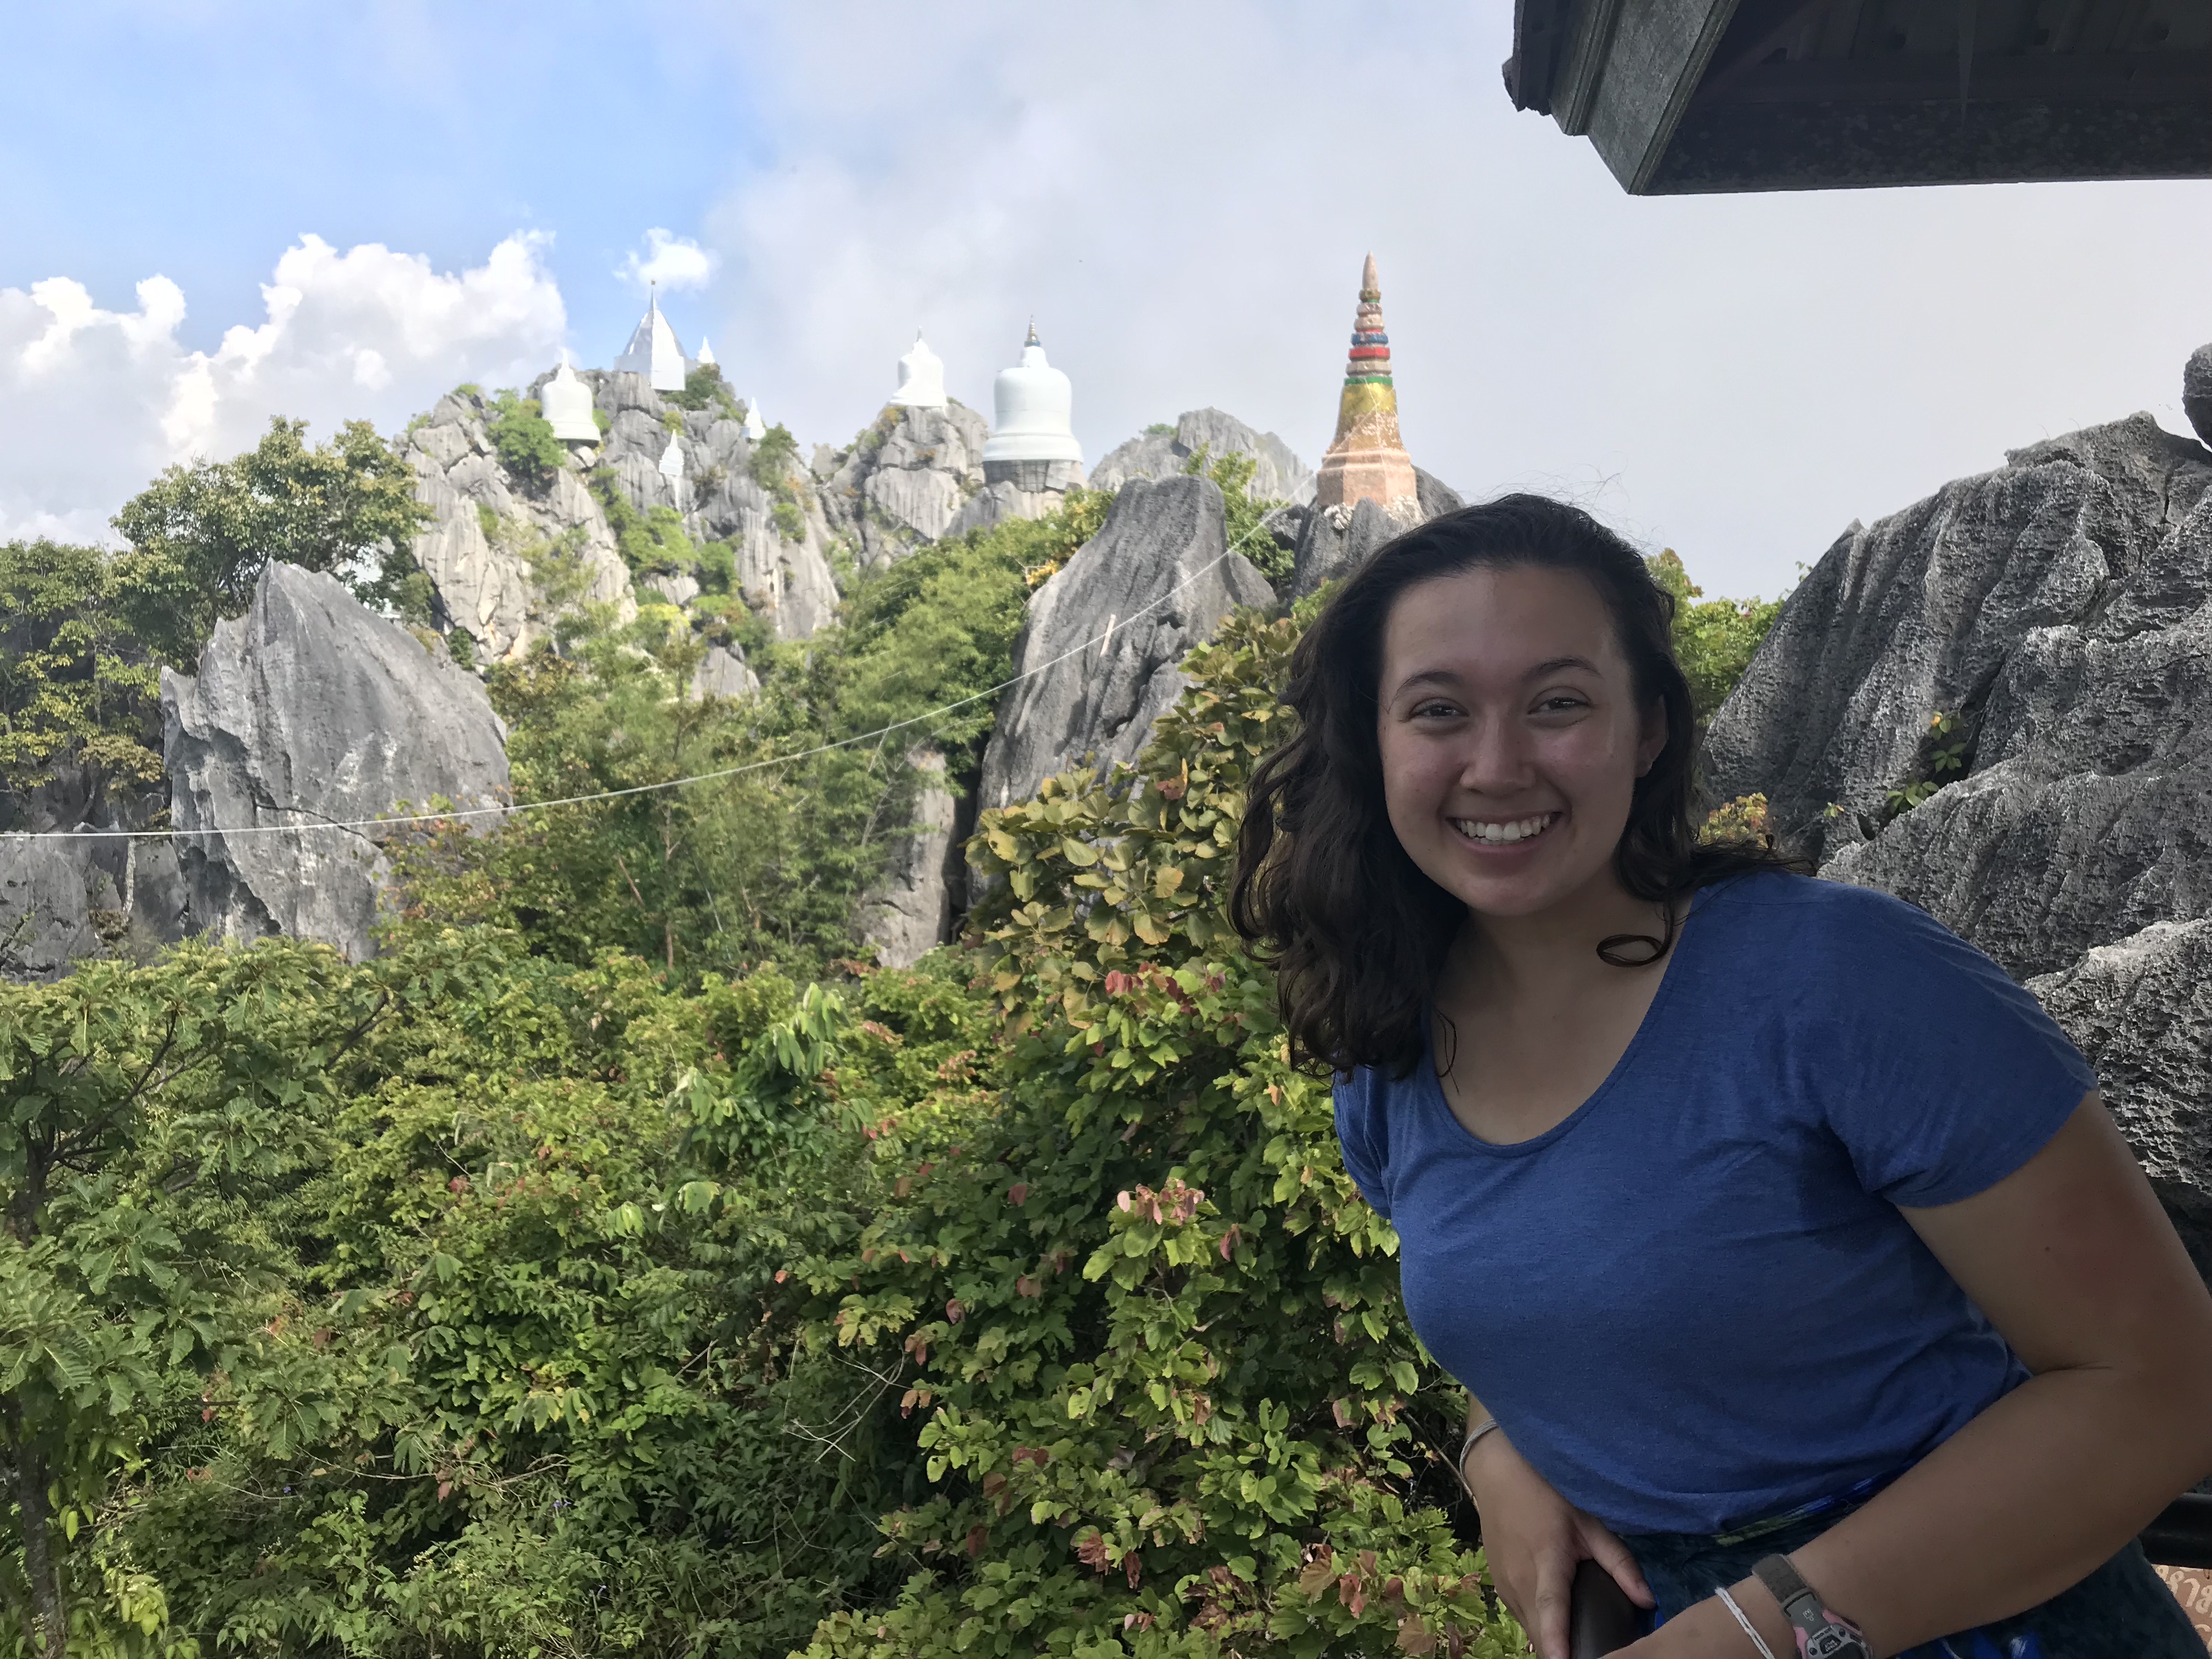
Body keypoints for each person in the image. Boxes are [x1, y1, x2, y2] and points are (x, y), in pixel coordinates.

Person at [1227, 495, 2212, 1659]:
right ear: (1373, 743)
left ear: (1647, 730)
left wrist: (1763, 1632)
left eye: (1557, 704)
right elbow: (1549, 1304)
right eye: (1438, 711)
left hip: (1986, 1620)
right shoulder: (1392, 1057)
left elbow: (2159, 1386)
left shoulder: (1839, 982)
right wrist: (1497, 1456)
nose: (1496, 766)